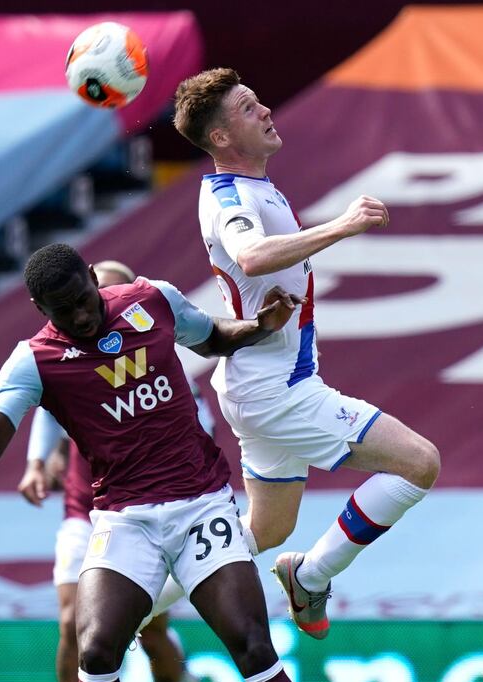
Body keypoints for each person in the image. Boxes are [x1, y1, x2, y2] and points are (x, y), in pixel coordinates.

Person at [0, 242, 374, 682]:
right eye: (63, 311)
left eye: (85, 301)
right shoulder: (32, 361)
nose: (82, 318)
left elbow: (213, 338)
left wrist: (258, 327)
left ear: (96, 280)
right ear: (40, 308)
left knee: (254, 645)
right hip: (124, 520)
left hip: (201, 505)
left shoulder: (151, 299)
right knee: (94, 650)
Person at [173, 68, 440, 639]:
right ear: (220, 137)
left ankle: (136, 602)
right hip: (278, 392)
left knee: (264, 533)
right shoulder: (232, 196)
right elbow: (250, 255)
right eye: (248, 108)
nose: (266, 110)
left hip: (257, 383)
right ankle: (311, 578)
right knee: (419, 463)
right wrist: (342, 225)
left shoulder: (252, 187)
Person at [18, 259, 207, 682]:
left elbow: (196, 427)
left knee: (150, 630)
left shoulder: (154, 357)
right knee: (70, 622)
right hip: (85, 510)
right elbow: (48, 411)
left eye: (104, 290)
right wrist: (38, 463)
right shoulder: (61, 359)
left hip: (149, 513)